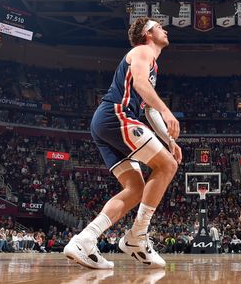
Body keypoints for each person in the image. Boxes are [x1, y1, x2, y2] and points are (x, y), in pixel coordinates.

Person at [64, 17, 182, 270]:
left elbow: (148, 109)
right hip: (117, 115)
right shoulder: (143, 51)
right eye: (160, 27)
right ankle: (137, 236)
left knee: (135, 189)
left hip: (106, 122)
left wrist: (169, 140)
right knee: (168, 166)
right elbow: (140, 86)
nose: (165, 30)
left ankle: (85, 239)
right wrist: (168, 112)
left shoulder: (151, 62)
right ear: (148, 33)